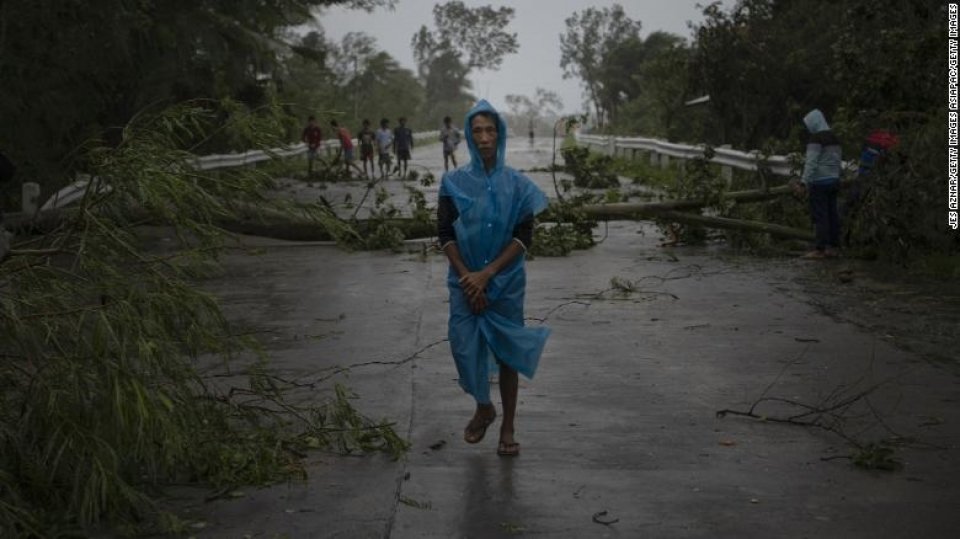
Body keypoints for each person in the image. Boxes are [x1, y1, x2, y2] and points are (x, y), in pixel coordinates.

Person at [436, 99, 551, 457]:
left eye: (490, 130)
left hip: (505, 282)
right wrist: (469, 277)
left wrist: (488, 274)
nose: (484, 138)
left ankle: (508, 426)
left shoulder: (518, 186)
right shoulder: (453, 183)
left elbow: (523, 238)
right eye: (477, 131)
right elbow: (445, 235)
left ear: (499, 135)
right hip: (464, 281)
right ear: (468, 138)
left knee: (507, 355)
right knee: (462, 344)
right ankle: (484, 406)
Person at [794, 109, 842, 259]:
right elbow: (837, 161)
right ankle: (833, 247)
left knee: (820, 216)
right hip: (834, 181)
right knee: (832, 214)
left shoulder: (816, 139)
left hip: (820, 182)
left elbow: (811, 163)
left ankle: (820, 249)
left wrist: (803, 182)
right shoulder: (834, 137)